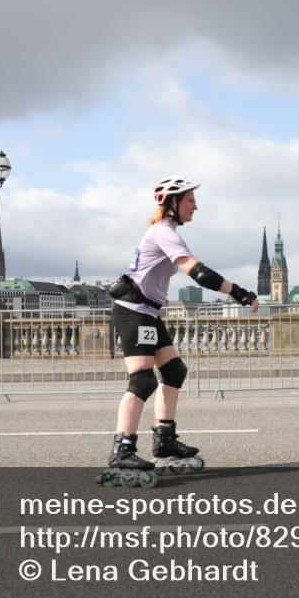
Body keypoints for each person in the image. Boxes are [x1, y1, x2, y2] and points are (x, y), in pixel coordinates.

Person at [104, 175, 258, 480]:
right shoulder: (162, 232)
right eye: (190, 200)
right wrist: (238, 292)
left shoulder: (167, 232)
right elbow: (197, 272)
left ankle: (164, 440)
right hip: (134, 312)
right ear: (173, 203)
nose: (196, 207)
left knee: (174, 371)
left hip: (147, 311)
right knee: (143, 380)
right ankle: (122, 450)